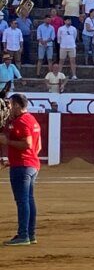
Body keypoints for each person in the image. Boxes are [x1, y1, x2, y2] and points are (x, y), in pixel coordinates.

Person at [1, 94, 42, 245]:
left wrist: (7, 142)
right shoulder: (32, 119)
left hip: (22, 166)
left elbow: (27, 144)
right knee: (28, 200)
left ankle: (23, 235)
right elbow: (38, 146)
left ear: (17, 105)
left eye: (10, 105)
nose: (9, 108)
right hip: (31, 165)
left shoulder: (21, 121)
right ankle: (30, 234)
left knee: (22, 201)